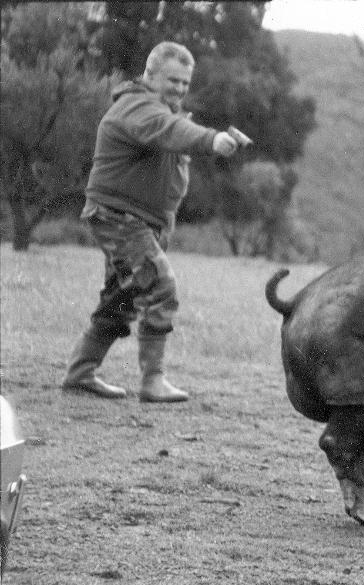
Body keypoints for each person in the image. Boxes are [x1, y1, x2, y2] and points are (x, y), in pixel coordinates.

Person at [62, 41, 242, 402]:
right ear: (149, 74)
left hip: (132, 220)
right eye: (173, 80)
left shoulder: (158, 111)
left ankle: (80, 373)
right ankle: (152, 381)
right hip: (118, 215)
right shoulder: (138, 107)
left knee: (123, 295)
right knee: (160, 287)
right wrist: (211, 139)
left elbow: (171, 148)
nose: (179, 89)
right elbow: (168, 130)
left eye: (185, 84)